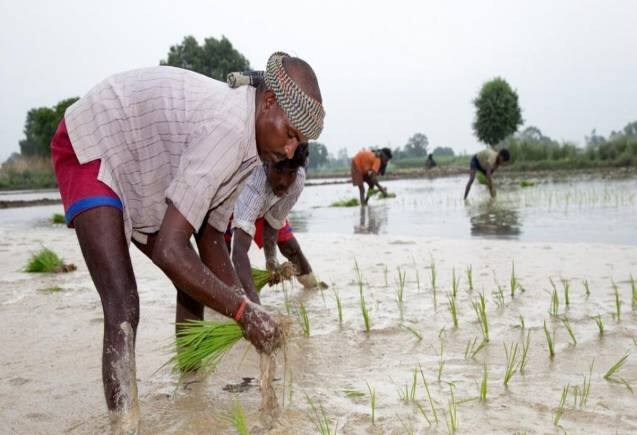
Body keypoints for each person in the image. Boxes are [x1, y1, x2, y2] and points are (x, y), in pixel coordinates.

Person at [50, 51, 325, 433]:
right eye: (291, 134)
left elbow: (211, 237)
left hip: (146, 169)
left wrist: (247, 309)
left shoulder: (252, 150)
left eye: (300, 141)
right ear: (268, 102)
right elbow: (169, 250)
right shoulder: (229, 129)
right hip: (95, 142)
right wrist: (246, 314)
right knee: (123, 302)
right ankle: (124, 424)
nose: (292, 150)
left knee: (193, 282)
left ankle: (191, 387)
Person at [226, 144, 326, 303]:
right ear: (266, 164)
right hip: (232, 204)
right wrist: (255, 310)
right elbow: (239, 251)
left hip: (266, 206)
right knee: (220, 252)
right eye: (278, 171)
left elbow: (274, 223)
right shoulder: (255, 185)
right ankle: (226, 297)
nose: (284, 182)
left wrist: (271, 260)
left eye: (291, 173)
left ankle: (313, 288)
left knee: (291, 248)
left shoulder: (297, 181)